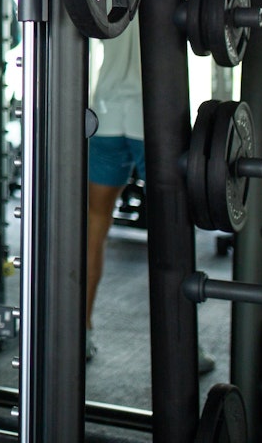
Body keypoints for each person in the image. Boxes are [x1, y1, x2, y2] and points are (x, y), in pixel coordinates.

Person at [85, 22, 214, 374]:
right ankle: (186, 343)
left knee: (94, 225)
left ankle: (81, 333)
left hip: (106, 114)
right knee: (169, 228)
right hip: (152, 120)